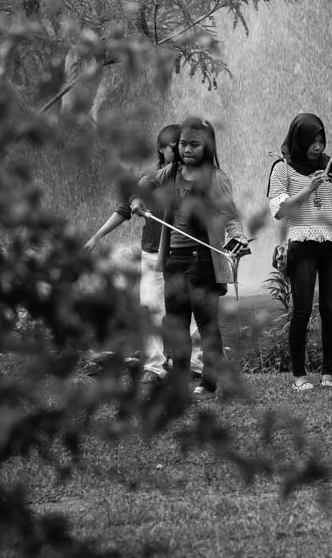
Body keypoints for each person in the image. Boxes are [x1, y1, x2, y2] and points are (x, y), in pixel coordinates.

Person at [135, 116, 249, 400]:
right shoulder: (172, 172)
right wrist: (137, 200)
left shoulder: (215, 178)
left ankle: (208, 384)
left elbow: (230, 216)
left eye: (194, 145)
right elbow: (145, 182)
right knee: (176, 324)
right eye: (183, 144)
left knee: (207, 323)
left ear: (208, 147)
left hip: (203, 262)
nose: (187, 150)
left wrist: (239, 238)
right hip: (173, 261)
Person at [83, 124, 202, 384]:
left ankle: (195, 363)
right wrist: (96, 237)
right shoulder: (149, 177)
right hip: (152, 255)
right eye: (176, 148)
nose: (183, 152)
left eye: (185, 146)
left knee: (190, 309)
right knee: (150, 308)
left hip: (183, 254)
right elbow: (124, 209)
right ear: (161, 149)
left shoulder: (192, 176)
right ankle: (154, 367)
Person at [268, 112, 332, 391]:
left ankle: (328, 373)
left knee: (331, 309)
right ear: (299, 139)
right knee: (302, 310)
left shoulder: (328, 165)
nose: (318, 147)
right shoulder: (282, 168)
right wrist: (310, 187)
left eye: (321, 140)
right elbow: (280, 211)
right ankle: (298, 376)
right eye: (312, 141)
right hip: (301, 241)